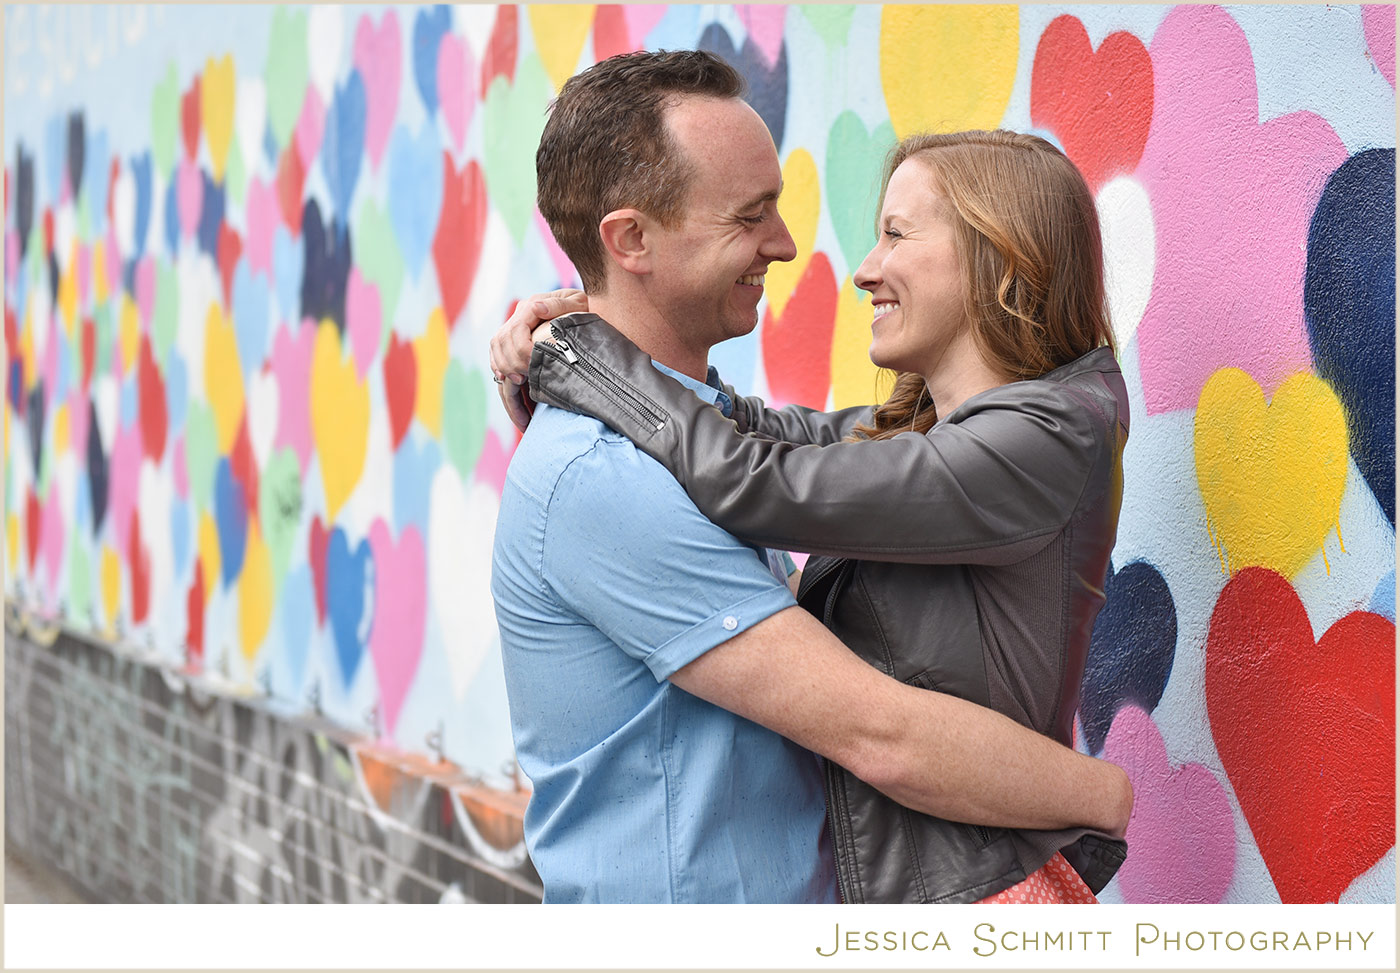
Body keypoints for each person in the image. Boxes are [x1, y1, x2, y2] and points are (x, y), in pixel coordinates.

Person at [490, 50, 1130, 904]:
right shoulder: (602, 473)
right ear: (631, 240)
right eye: (750, 214)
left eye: (895, 235)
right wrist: (580, 350)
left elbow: (766, 472)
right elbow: (772, 449)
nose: (798, 248)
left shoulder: (1029, 436)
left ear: (998, 263)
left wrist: (583, 354)